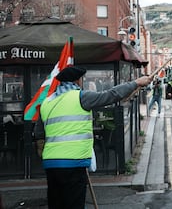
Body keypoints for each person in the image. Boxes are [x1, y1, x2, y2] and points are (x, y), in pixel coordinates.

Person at [38, 66, 152, 209]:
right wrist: (137, 82)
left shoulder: (46, 103)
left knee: (56, 204)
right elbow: (111, 95)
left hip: (51, 164)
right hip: (73, 163)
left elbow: (39, 134)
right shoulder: (80, 97)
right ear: (77, 81)